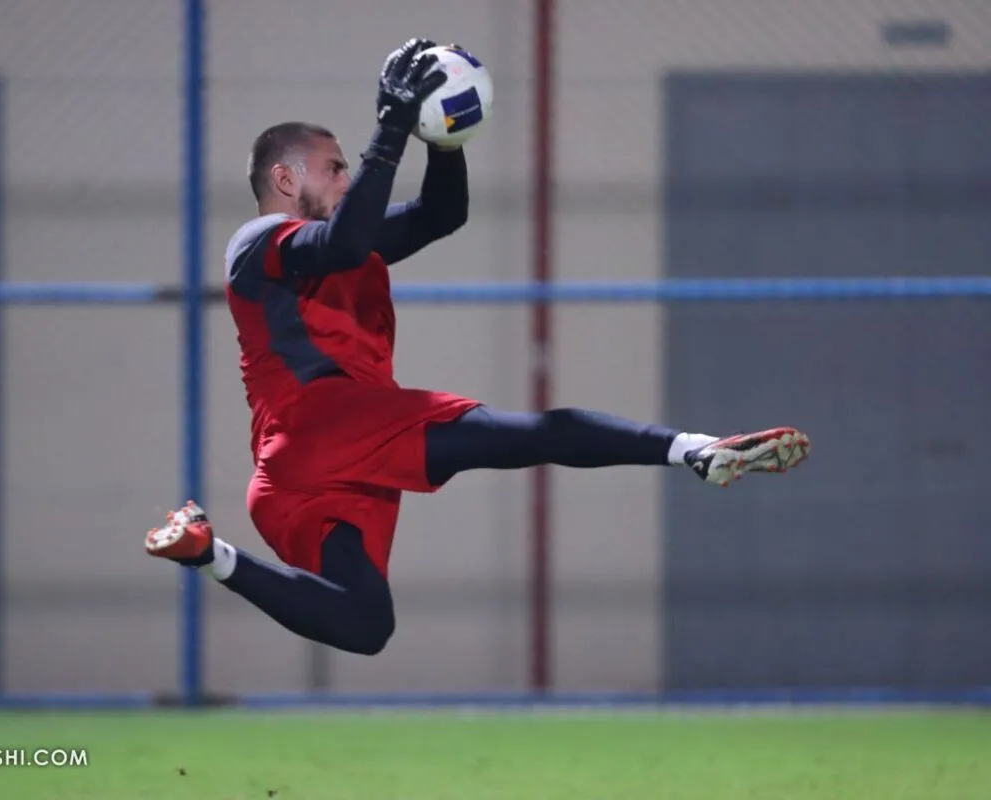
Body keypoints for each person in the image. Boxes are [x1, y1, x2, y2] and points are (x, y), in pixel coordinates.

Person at [144, 38, 809, 655]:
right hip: (325, 423)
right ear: (286, 181)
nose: (347, 179)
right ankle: (693, 449)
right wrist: (391, 128)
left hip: (295, 477)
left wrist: (444, 139)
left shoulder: (346, 243)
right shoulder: (258, 241)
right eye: (334, 168)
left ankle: (208, 553)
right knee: (528, 434)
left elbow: (441, 214)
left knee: (367, 625)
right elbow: (345, 241)